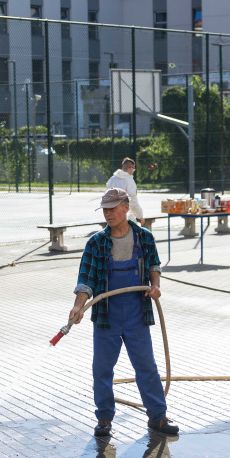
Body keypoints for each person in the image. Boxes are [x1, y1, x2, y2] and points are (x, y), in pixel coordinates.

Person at [68, 188, 179, 438]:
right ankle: (105, 419)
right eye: (104, 209)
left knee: (146, 366)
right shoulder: (96, 243)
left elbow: (153, 265)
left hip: (137, 312)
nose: (107, 213)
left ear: (126, 207)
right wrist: (78, 305)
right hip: (106, 315)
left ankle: (158, 417)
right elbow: (86, 279)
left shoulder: (144, 237)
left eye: (112, 208)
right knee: (102, 369)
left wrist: (156, 286)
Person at [105, 158, 144, 224]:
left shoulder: (112, 179)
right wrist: (140, 215)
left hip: (111, 213)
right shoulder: (129, 181)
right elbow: (133, 200)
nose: (133, 170)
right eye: (133, 169)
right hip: (125, 214)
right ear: (130, 168)